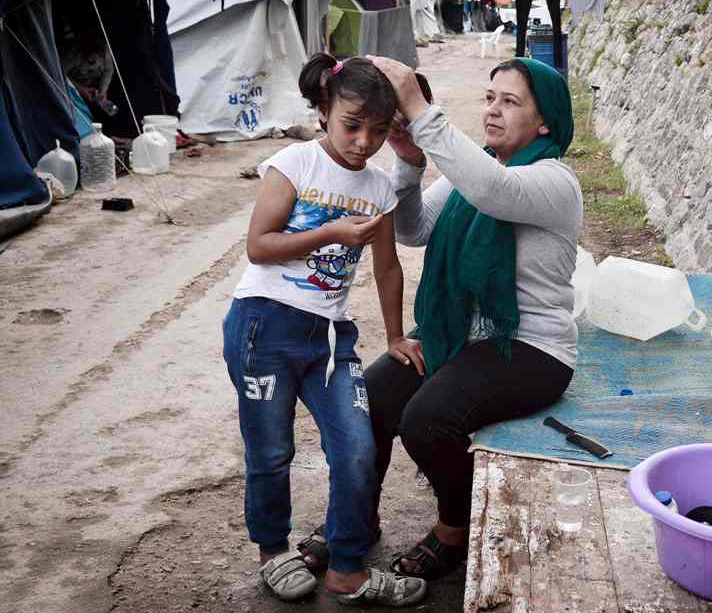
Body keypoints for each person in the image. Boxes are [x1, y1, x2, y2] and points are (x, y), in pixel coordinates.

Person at [364, 55, 583, 580]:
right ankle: (356, 518)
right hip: (464, 334)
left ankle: (454, 529)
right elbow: (413, 229)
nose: (492, 111)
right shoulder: (480, 167)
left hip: (532, 347)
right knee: (368, 395)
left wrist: (418, 108)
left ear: (545, 120)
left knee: (427, 421)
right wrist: (409, 161)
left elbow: (493, 191)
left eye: (510, 102)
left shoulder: (555, 181)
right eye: (489, 98)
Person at [221, 54, 427, 607]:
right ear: (324, 111)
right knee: (271, 451)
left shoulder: (381, 188)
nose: (364, 142)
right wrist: (330, 232)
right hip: (263, 325)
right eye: (352, 125)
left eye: (379, 131)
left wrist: (393, 338)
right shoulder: (294, 164)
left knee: (357, 448)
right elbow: (259, 246)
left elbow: (387, 266)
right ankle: (272, 551)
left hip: (332, 338)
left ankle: (348, 568)